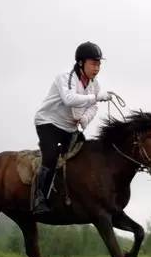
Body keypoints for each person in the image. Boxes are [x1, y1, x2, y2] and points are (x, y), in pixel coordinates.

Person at [32, 41, 112, 214]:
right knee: (52, 156)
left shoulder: (94, 84)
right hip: (48, 123)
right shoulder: (65, 77)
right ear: (81, 63)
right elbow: (69, 99)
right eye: (93, 63)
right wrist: (96, 97)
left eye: (99, 64)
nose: (97, 68)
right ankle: (39, 198)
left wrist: (84, 119)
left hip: (69, 127)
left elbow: (93, 108)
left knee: (84, 155)